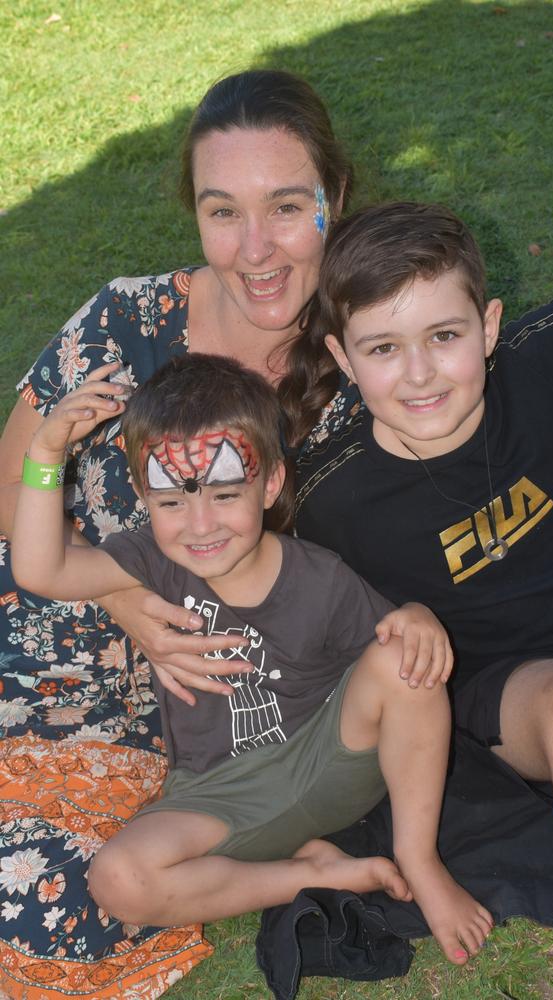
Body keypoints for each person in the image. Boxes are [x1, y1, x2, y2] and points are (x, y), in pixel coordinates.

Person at [0, 68, 354, 998]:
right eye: (221, 211)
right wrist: (123, 594)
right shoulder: (126, 323)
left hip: (163, 719)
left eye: (286, 206)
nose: (256, 248)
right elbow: (14, 482)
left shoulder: (367, 364)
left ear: (336, 198)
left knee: (40, 895)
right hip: (37, 622)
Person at [11, 352, 494, 964]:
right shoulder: (150, 562)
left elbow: (398, 665)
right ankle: (315, 871)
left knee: (405, 657)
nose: (199, 524)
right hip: (219, 795)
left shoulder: (320, 579)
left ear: (268, 483)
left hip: (330, 762)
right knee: (119, 879)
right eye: (172, 503)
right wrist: (46, 454)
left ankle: (418, 860)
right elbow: (39, 567)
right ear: (142, 495)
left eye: (225, 493)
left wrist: (417, 618)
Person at [279, 201, 553, 998]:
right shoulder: (330, 502)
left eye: (444, 337)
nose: (419, 373)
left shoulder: (541, 360)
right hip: (508, 698)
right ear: (344, 358)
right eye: (383, 348)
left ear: (487, 326)